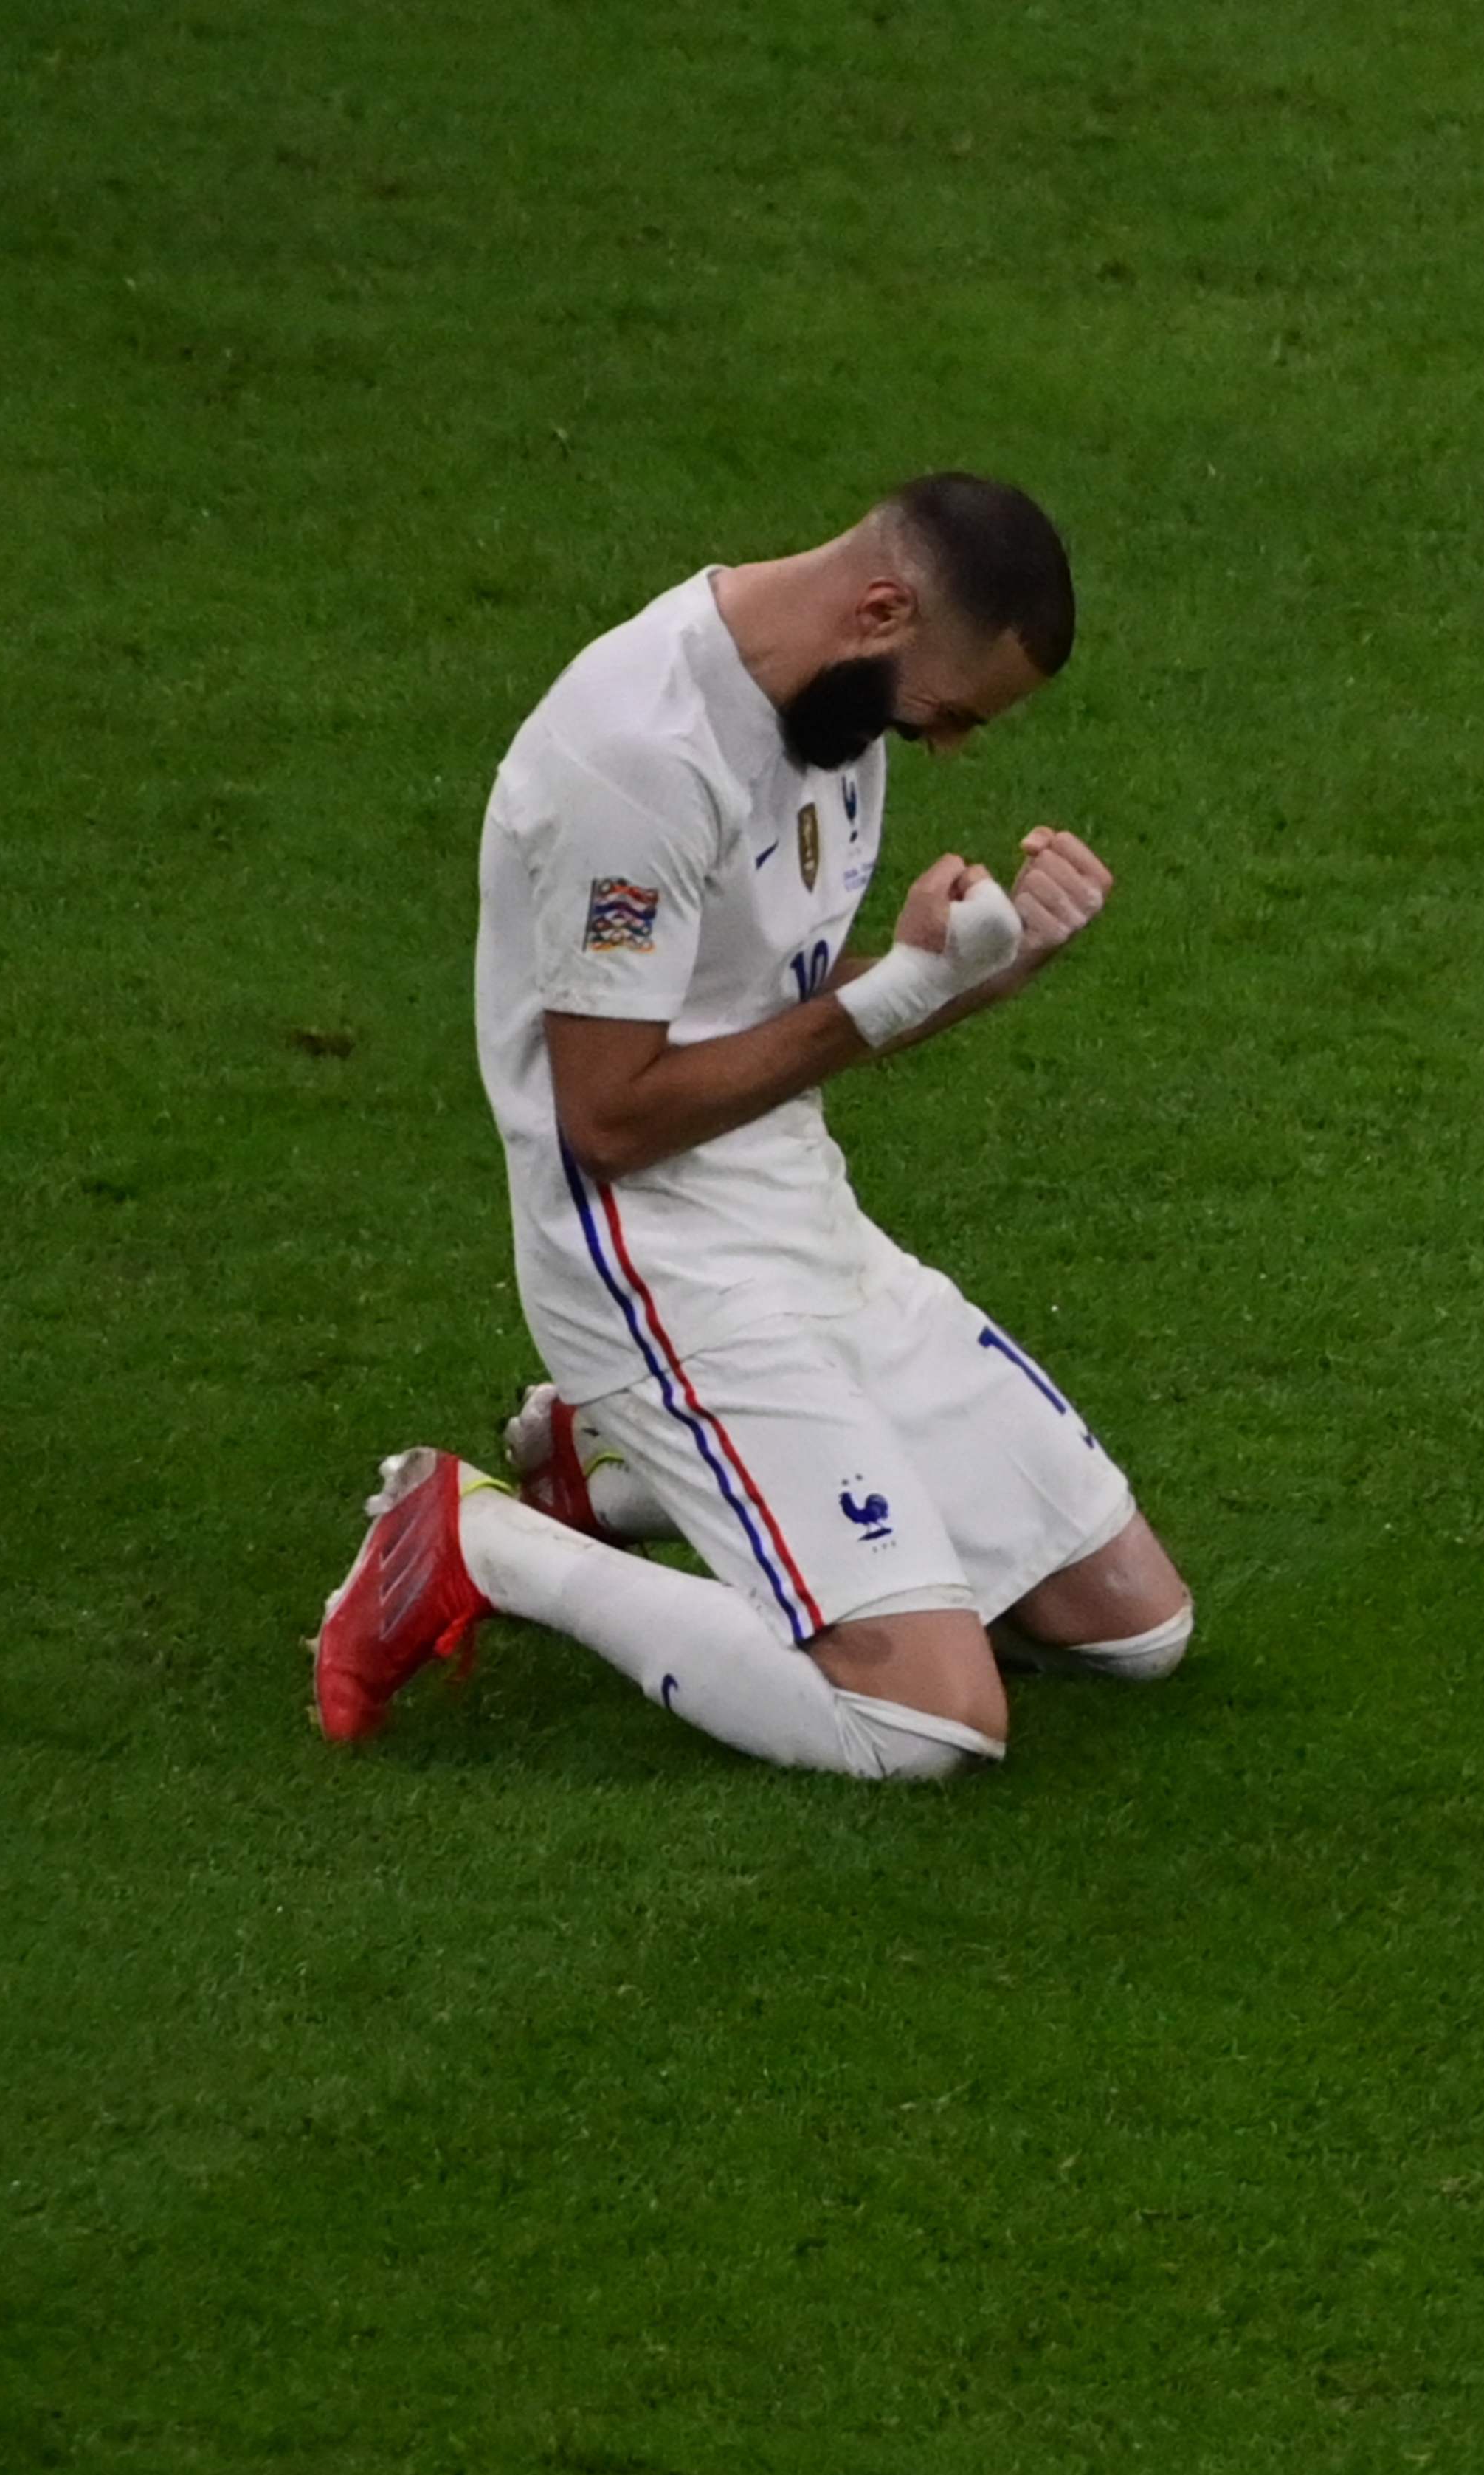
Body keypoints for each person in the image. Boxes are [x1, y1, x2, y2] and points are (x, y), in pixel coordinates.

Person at [314, 475, 1190, 1779]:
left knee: (1135, 1633)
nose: (943, 747)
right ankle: (481, 1539)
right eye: (947, 713)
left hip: (806, 1223)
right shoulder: (637, 758)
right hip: (656, 1267)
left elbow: (788, 1031)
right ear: (881, 609)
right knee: (926, 1725)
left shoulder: (839, 717)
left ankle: (614, 1470)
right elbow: (607, 1123)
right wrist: (903, 987)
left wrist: (981, 977)